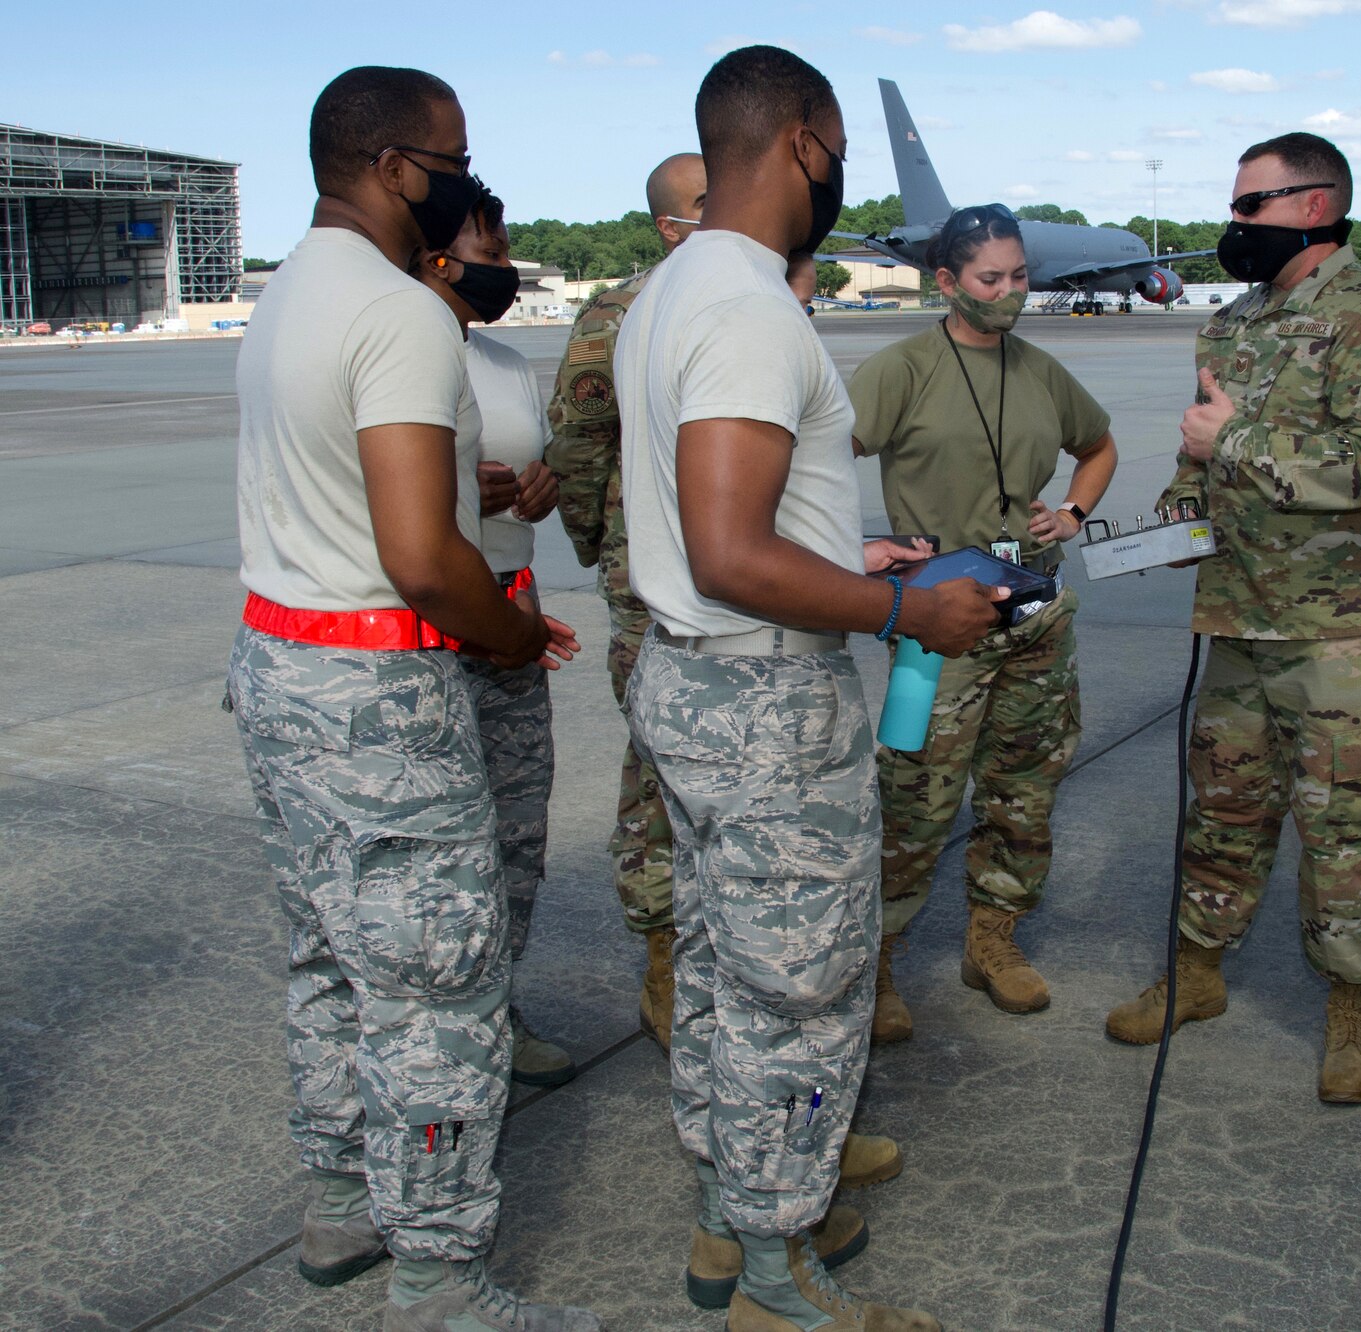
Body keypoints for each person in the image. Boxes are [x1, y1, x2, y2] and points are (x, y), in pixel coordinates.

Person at [619, 45, 1001, 1332]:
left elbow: (725, 524)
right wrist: (903, 604)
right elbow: (730, 552)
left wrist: (847, 556)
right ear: (802, 141)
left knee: (731, 972)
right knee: (801, 993)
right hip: (764, 702)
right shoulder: (744, 306)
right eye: (835, 147)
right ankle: (779, 1283)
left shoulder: (675, 287)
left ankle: (736, 1219)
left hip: (699, 685)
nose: (836, 170)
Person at [226, 66, 596, 1329]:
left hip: (281, 662)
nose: (458, 177)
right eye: (450, 157)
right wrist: (507, 633)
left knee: (332, 956)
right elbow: (422, 552)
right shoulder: (400, 316)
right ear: (392, 168)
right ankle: (440, 1280)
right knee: (435, 986)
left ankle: (340, 1204)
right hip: (378, 690)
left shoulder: (285, 294)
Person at [1104, 131, 1361, 1107]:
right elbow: (1197, 455)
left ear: (1311, 205)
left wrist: (1236, 439)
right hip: (1239, 617)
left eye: (1249, 206)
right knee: (1221, 808)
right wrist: (1160, 533)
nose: (1232, 225)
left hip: (1340, 632)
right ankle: (1197, 973)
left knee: (1345, 823)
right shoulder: (1231, 326)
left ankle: (1350, 1010)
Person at [849, 204, 1117, 1041]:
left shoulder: (1039, 370)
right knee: (914, 798)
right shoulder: (902, 369)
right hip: (935, 619)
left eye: (1020, 277)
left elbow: (1099, 444)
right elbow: (812, 461)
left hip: (1033, 610)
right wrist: (864, 546)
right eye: (990, 279)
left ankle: (992, 940)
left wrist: (1072, 511)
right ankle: (878, 962)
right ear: (946, 283)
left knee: (1025, 790)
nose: (1009, 294)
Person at [412, 184, 575, 1088]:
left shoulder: (505, 361)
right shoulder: (403, 351)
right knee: (443, 852)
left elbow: (531, 468)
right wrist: (447, 494)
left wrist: (540, 490)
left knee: (517, 839)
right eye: (490, 242)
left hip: (513, 611)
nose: (504, 261)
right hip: (436, 624)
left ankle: (496, 1008)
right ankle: (445, 1039)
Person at [545, 152, 705, 1051]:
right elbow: (576, 442)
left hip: (743, 575)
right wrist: (606, 547)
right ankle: (662, 958)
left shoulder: (757, 294)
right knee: (658, 765)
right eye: (699, 206)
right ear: (664, 223)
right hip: (651, 575)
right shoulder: (619, 309)